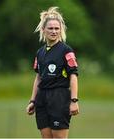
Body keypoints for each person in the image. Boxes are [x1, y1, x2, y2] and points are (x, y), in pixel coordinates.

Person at [26, 7, 79, 138]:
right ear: (43, 30)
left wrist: (74, 100)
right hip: (42, 99)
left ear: (61, 30)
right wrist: (32, 101)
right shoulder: (40, 52)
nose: (54, 31)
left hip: (59, 98)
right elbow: (38, 77)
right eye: (50, 28)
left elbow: (73, 76)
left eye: (57, 28)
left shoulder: (66, 50)